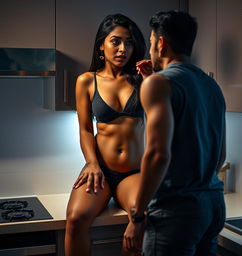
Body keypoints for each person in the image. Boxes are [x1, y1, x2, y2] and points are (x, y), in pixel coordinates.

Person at [124, 10, 226, 256]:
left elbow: (158, 155)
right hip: (213, 206)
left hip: (177, 212)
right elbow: (220, 157)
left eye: (150, 44)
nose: (149, 51)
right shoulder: (211, 84)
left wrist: (137, 216)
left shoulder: (157, 83)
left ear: (161, 43)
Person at [65, 14, 146, 256]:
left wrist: (153, 80)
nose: (123, 49)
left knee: (141, 217)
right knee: (76, 218)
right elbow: (85, 128)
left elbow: (162, 122)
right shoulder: (86, 81)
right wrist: (91, 163)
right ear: (101, 44)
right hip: (99, 170)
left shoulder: (143, 80)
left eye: (129, 42)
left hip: (132, 173)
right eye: (115, 41)